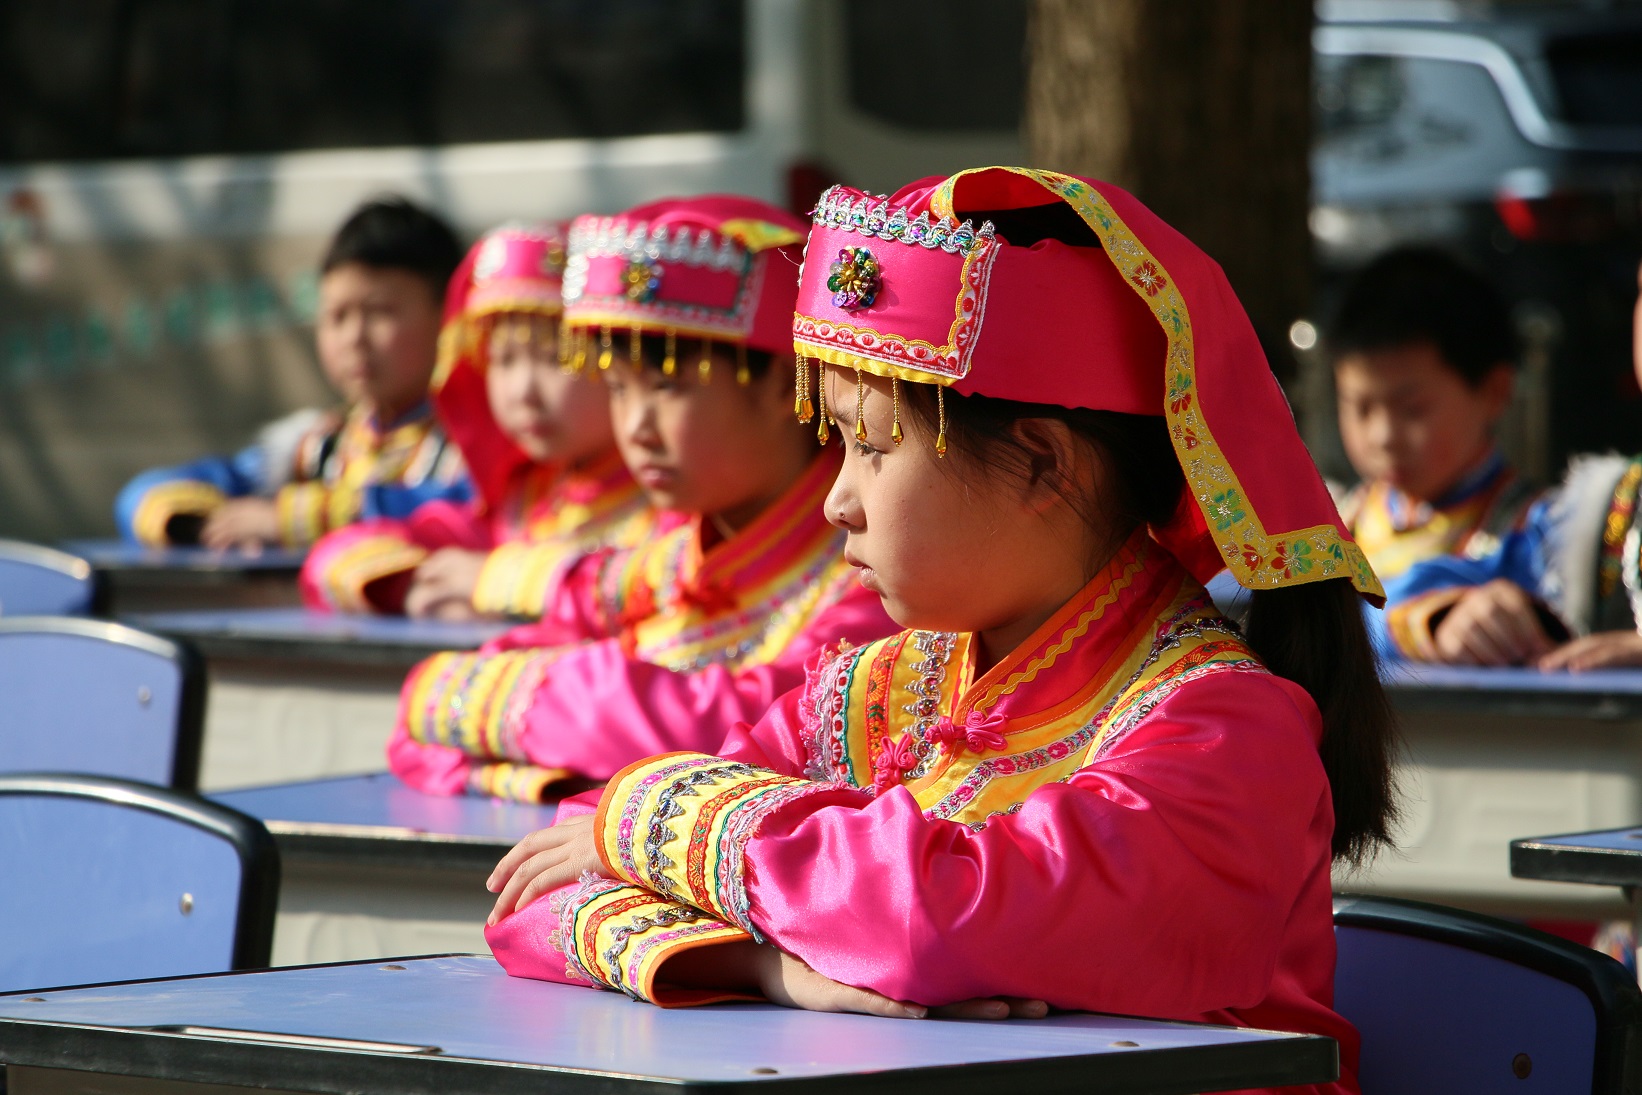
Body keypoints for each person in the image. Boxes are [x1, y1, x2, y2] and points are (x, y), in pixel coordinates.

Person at [479, 168, 1398, 1095]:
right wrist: (765, 969)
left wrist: (650, 814)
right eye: (837, 443)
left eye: (874, 447)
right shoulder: (879, 693)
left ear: (1042, 465)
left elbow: (944, 918)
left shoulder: (1225, 731)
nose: (838, 497)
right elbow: (538, 896)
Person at [387, 196, 899, 803]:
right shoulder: (667, 560)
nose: (635, 428)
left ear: (783, 381)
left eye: (666, 387)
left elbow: (765, 726)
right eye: (618, 391)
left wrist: (551, 725)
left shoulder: (870, 574)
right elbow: (421, 719)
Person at [299, 222, 653, 618]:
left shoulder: (662, 503)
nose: (523, 392)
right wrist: (411, 588)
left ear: (624, 368)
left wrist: (495, 584)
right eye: (503, 360)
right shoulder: (520, 502)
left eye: (556, 358)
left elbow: (651, 595)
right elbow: (335, 556)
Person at [115, 197, 470, 550]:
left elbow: (459, 511)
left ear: (449, 317)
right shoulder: (315, 448)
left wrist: (293, 520)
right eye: (337, 316)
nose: (353, 338)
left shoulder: (472, 450)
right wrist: (209, 526)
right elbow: (144, 493)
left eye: (379, 313)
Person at [1378, 258, 1642, 669]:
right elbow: (1373, 608)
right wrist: (1449, 616)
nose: (1382, 435)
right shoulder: (1603, 512)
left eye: (1412, 409)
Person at [1330, 247, 1537, 581]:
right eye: (1361, 408)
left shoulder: (1533, 538)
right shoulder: (1337, 526)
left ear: (1493, 392)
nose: (1383, 436)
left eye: (1413, 410)